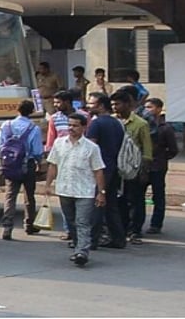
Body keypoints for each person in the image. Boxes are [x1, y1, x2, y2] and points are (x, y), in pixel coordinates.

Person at [45, 113, 106, 266]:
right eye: (70, 125)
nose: (71, 128)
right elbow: (53, 165)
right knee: (71, 221)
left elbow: (98, 171)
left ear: (84, 127)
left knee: (82, 222)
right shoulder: (59, 143)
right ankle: (78, 246)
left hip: (84, 191)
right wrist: (48, 185)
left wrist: (101, 192)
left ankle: (82, 252)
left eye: (75, 125)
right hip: (64, 189)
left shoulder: (92, 148)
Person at [45, 90, 90, 240]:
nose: (56, 105)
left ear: (67, 102)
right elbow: (51, 140)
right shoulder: (54, 118)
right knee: (65, 196)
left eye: (58, 102)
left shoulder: (84, 116)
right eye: (55, 102)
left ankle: (81, 232)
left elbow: (89, 137)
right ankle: (69, 230)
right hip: (62, 161)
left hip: (81, 160)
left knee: (81, 196)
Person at [85, 92, 127, 249]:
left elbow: (90, 148)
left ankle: (92, 240)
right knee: (111, 205)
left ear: (101, 105)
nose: (89, 106)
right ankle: (118, 238)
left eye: (92, 103)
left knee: (96, 203)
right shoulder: (117, 123)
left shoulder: (96, 124)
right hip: (113, 167)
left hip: (99, 170)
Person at [110, 90, 153, 245]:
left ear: (128, 104)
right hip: (116, 168)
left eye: (118, 104)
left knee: (135, 200)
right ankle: (121, 229)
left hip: (134, 168)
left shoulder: (141, 124)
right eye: (113, 104)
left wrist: (144, 171)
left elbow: (147, 150)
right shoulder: (112, 121)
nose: (115, 107)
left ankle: (135, 230)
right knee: (119, 200)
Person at [0, 100, 43, 240]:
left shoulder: (6, 125)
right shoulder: (34, 129)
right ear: (32, 112)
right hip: (27, 164)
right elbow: (37, 151)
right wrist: (39, 162)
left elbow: (0, 147)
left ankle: (7, 226)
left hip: (10, 164)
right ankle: (29, 224)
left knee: (10, 196)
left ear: (17, 110)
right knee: (29, 195)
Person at [143, 98, 178, 235]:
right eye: (145, 107)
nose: (147, 110)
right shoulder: (142, 124)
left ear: (159, 109)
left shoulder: (165, 128)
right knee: (137, 196)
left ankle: (156, 224)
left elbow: (173, 149)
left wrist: (162, 158)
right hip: (143, 166)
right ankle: (135, 224)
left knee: (158, 196)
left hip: (158, 166)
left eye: (150, 107)